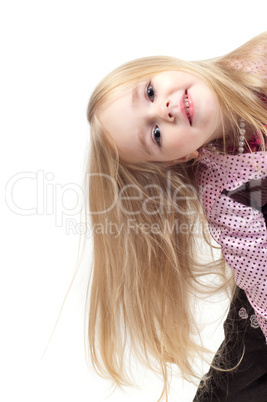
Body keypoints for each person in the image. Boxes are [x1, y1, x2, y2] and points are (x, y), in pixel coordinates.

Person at [85, 32, 267, 401]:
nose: (163, 109)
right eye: (155, 134)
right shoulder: (228, 197)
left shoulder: (257, 63)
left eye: (150, 92)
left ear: (163, 65)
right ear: (180, 158)